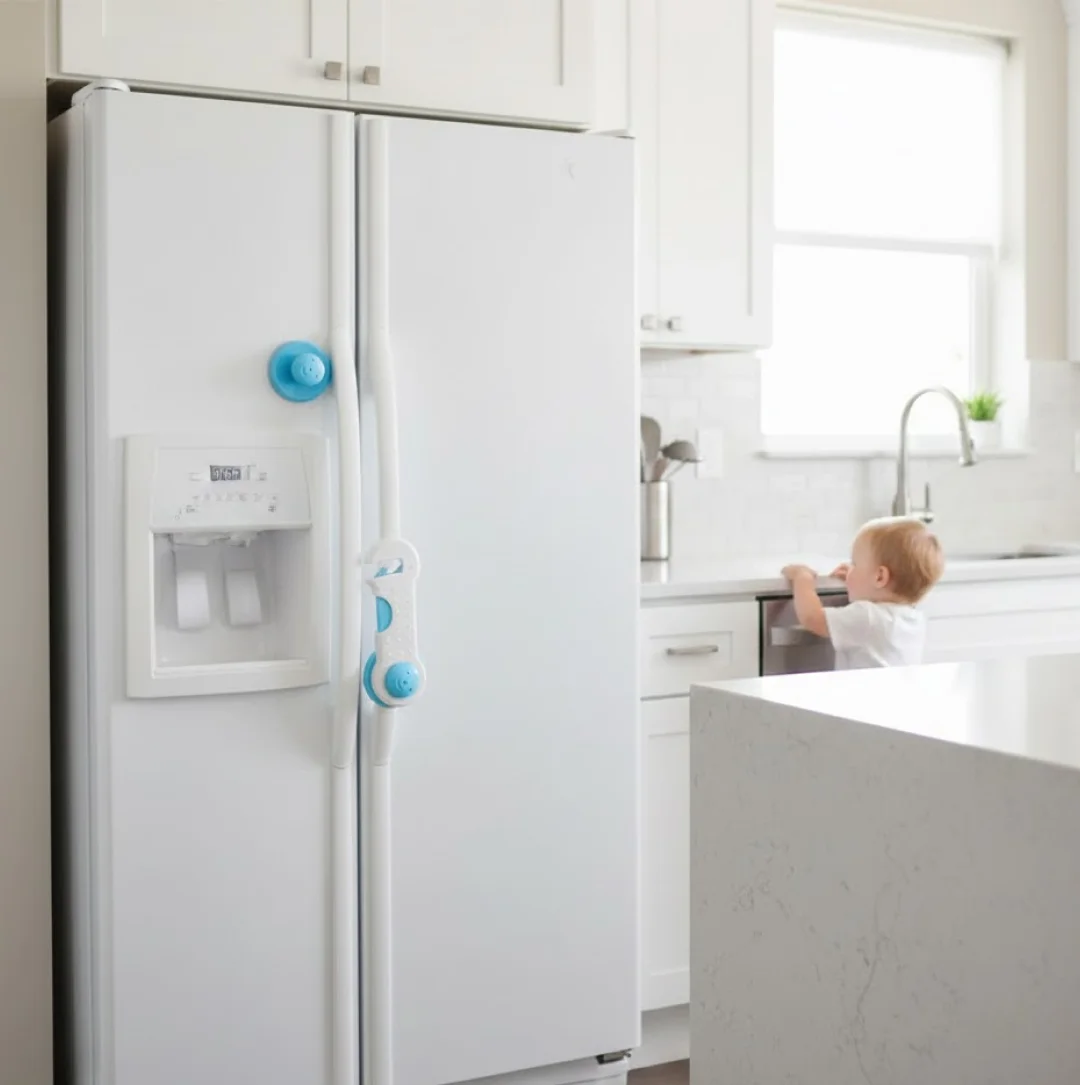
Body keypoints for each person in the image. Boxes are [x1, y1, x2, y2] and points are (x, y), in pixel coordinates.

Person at [781, 517, 945, 669]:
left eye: (855, 563)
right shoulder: (913, 618)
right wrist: (859, 577)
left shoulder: (868, 616)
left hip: (864, 692)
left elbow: (812, 618)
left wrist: (803, 578)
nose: (850, 568)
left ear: (879, 577)